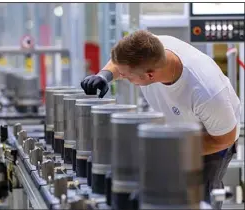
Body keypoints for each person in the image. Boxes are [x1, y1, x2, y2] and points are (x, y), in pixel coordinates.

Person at [80, 30, 241, 209]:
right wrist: (105, 75)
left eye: (126, 76)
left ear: (150, 75)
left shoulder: (206, 93)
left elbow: (224, 139)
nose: (122, 76)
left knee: (197, 197)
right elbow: (121, 62)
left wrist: (169, 148)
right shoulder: (151, 47)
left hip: (213, 138)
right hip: (176, 128)